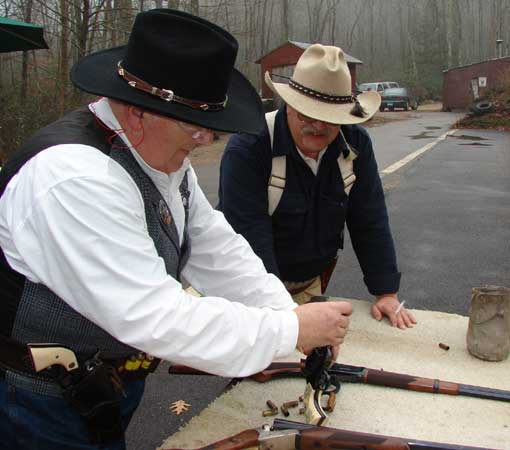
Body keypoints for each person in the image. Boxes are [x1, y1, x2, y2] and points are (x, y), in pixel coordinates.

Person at [0, 10, 352, 450]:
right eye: (195, 126)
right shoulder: (75, 179)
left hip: (97, 387)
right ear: (136, 112)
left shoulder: (162, 161)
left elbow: (218, 251)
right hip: (35, 404)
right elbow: (156, 315)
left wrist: (287, 315)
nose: (205, 141)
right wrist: (289, 331)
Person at [218, 44, 417, 330]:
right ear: (289, 106)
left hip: (308, 286)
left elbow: (369, 218)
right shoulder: (250, 147)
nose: (317, 126)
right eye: (307, 114)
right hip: (248, 288)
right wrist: (283, 318)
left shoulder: (355, 144)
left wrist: (385, 291)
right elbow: (249, 236)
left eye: (330, 119)